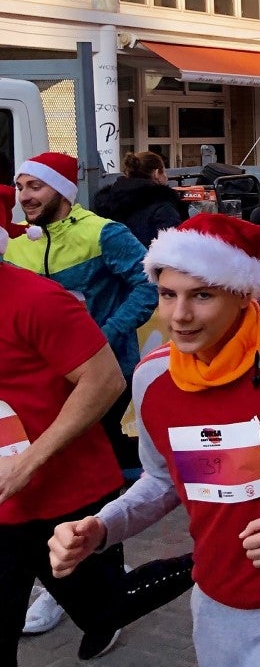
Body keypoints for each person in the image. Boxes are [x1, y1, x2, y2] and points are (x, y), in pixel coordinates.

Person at [48, 214, 260, 667]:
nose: (179, 315)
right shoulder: (152, 377)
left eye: (202, 295)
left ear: (242, 296)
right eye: (167, 295)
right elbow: (163, 480)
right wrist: (102, 526)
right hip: (214, 596)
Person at [0, 186, 130, 663]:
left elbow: (105, 381)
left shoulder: (38, 300)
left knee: (105, 608)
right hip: (3, 515)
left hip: (63, 497)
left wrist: (26, 464)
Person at [8, 152, 156, 511]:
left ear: (61, 190)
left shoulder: (104, 232)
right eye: (20, 187)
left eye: (36, 186)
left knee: (101, 472)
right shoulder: (17, 243)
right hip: (47, 383)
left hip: (105, 372)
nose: (25, 196)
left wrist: (106, 333)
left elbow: (150, 283)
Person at [93, 151, 187, 248]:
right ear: (156, 173)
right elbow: (175, 245)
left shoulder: (109, 201)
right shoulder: (162, 206)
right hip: (149, 261)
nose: (166, 177)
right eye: (164, 171)